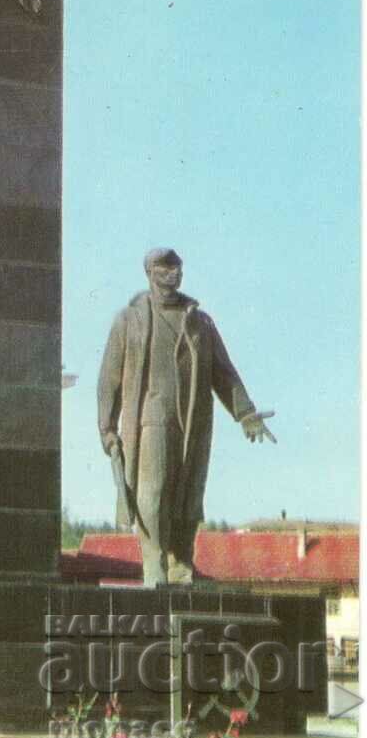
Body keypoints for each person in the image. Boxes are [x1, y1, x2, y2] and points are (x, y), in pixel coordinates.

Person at [97, 248, 274, 586]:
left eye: (176, 268)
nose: (172, 275)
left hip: (193, 417)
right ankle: (154, 561)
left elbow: (223, 371)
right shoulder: (129, 319)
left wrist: (246, 413)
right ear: (150, 272)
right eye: (164, 268)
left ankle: (181, 562)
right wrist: (106, 427)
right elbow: (109, 378)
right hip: (151, 414)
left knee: (188, 491)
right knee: (154, 487)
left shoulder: (199, 321)